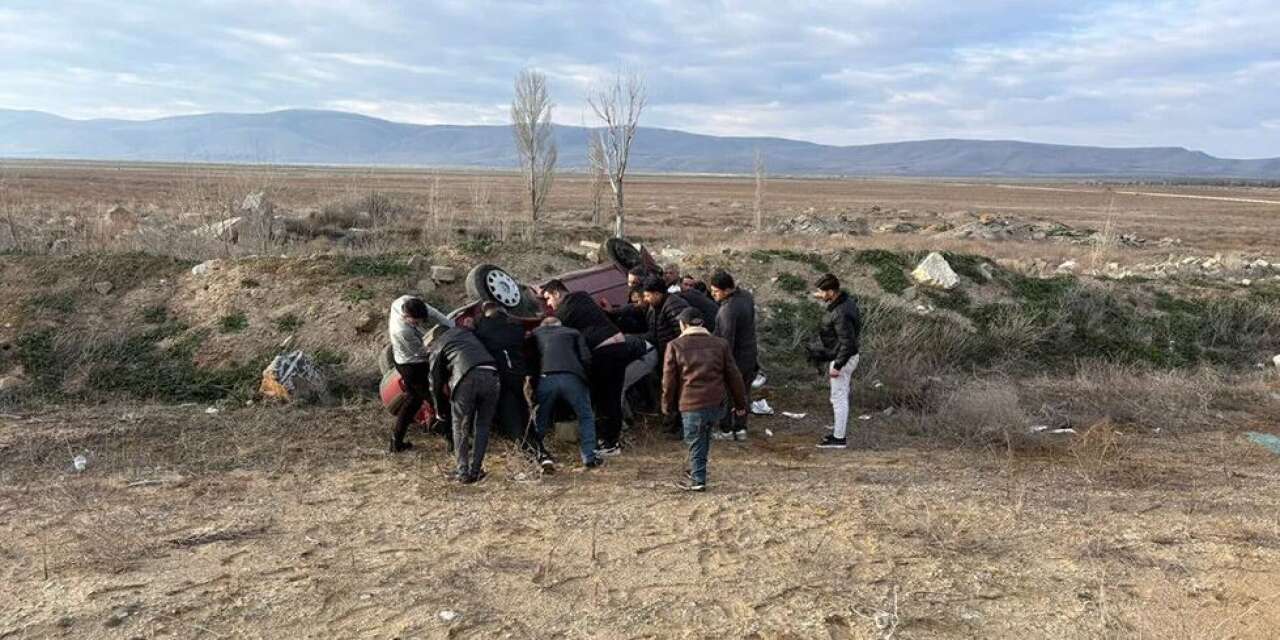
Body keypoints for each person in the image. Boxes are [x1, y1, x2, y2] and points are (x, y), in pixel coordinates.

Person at [541, 279, 641, 455]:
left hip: (604, 350)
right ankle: (611, 439)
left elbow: (554, 332)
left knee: (604, 398)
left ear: (557, 293)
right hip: (619, 343)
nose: (549, 304)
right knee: (612, 395)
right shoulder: (582, 296)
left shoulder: (564, 311)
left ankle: (609, 444)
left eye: (548, 298)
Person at [662, 308, 748, 492]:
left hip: (692, 403)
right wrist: (741, 404)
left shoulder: (675, 345)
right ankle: (696, 469)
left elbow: (669, 381)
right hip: (716, 403)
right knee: (703, 436)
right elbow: (734, 376)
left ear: (683, 325)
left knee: (695, 440)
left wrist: (667, 407)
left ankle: (698, 480)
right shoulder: (720, 344)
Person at [426, 325, 500, 483]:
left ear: (434, 339)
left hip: (467, 378)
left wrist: (439, 410)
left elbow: (435, 382)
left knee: (460, 426)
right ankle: (476, 470)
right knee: (483, 425)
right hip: (492, 375)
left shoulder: (439, 344)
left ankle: (462, 472)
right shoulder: (467, 334)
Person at [530, 317, 603, 470]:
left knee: (541, 417)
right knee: (585, 415)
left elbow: (530, 357)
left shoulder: (535, 333)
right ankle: (589, 456)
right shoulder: (573, 332)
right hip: (572, 377)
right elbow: (586, 357)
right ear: (560, 325)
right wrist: (587, 378)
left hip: (546, 377)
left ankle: (536, 453)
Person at [386, 295, 453, 453]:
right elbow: (423, 353)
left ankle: (396, 442)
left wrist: (452, 326)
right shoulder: (402, 331)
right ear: (406, 316)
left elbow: (435, 314)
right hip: (412, 366)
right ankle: (454, 442)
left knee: (413, 401)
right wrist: (441, 349)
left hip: (403, 359)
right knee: (439, 401)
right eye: (416, 322)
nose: (420, 324)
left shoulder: (405, 301)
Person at [473, 302, 541, 453]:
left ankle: (529, 450)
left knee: (510, 415)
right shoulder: (516, 326)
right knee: (524, 412)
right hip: (519, 374)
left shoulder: (482, 328)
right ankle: (540, 449)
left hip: (500, 375)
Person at [808, 273, 862, 450]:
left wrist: (837, 366)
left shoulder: (840, 313)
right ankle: (839, 433)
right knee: (840, 396)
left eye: (822, 292)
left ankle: (839, 438)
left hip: (843, 358)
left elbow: (847, 342)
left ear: (831, 292)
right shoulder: (845, 302)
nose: (820, 295)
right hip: (845, 355)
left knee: (838, 398)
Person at [709, 270, 758, 441]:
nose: (713, 294)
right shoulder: (746, 297)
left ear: (726, 290)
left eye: (715, 291)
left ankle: (726, 429)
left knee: (726, 394)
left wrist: (721, 363)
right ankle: (741, 428)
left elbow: (726, 340)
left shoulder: (727, 310)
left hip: (734, 359)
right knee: (743, 394)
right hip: (749, 355)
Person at [642, 275, 691, 436]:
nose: (645, 299)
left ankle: (678, 427)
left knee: (676, 392)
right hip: (667, 356)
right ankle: (672, 425)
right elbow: (654, 333)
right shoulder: (656, 307)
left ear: (657, 294)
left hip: (678, 358)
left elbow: (684, 336)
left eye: (648, 295)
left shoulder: (673, 306)